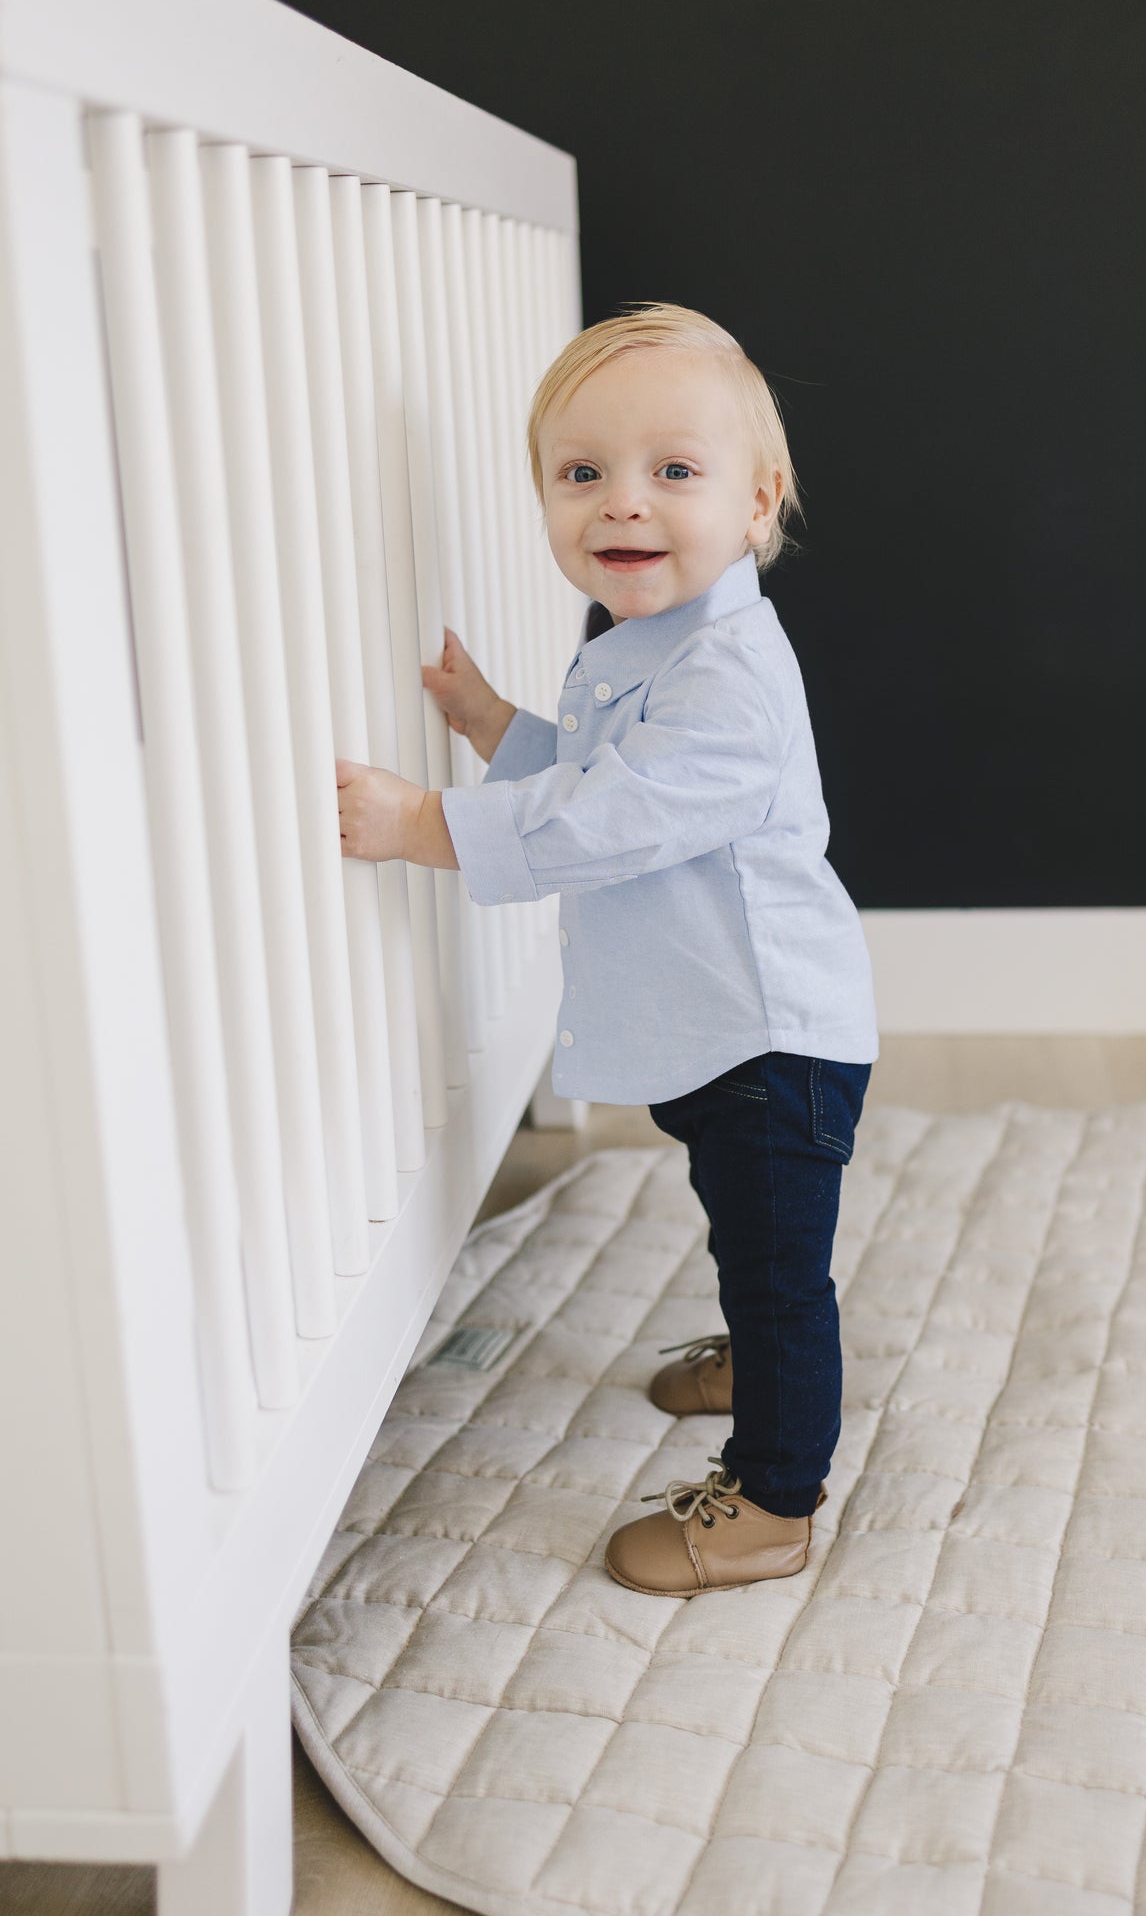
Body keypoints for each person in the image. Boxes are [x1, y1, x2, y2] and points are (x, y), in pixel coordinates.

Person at [336, 303, 878, 1595]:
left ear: (758, 503)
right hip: (718, 1027)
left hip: (770, 1036)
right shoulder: (651, 644)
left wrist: (426, 827)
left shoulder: (726, 677)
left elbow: (611, 817)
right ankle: (758, 1350)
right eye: (582, 474)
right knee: (742, 1233)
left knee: (775, 1263)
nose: (621, 504)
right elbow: (593, 773)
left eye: (672, 473)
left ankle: (771, 1504)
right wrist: (493, 727)